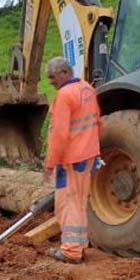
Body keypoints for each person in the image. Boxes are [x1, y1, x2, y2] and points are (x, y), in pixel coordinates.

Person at [43, 57, 101, 264]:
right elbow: (97, 121)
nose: (50, 81)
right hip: (87, 155)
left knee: (68, 204)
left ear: (64, 73)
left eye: (52, 77)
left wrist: (50, 163)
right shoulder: (87, 89)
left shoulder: (64, 96)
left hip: (71, 159)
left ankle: (71, 250)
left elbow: (59, 134)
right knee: (78, 201)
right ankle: (79, 245)